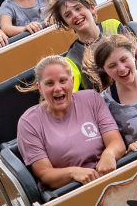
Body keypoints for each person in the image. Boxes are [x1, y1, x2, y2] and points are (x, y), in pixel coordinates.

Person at [16, 55, 126, 187]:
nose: (57, 88)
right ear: (40, 88)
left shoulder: (91, 99)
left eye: (63, 81)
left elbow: (116, 142)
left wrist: (109, 153)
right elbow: (45, 174)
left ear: (72, 81)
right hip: (69, 190)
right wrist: (73, 173)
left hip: (108, 175)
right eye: (50, 83)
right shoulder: (28, 122)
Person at [47, 0, 129, 76]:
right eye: (68, 15)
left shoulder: (112, 25)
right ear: (66, 24)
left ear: (92, 8)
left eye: (78, 8)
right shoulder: (73, 57)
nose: (75, 15)